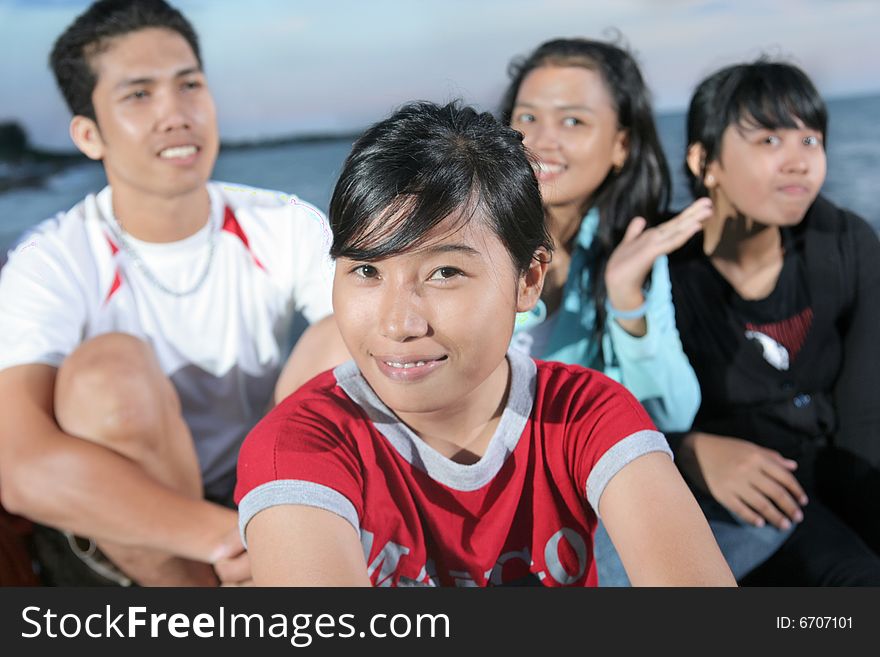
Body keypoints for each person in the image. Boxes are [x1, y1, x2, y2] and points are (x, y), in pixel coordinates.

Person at [234, 100, 736, 587]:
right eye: (366, 270)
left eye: (445, 272)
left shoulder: (586, 416)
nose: (398, 324)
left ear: (528, 280)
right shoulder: (299, 446)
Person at [0, 0, 338, 586]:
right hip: (135, 531)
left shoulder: (284, 221)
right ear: (88, 134)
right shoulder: (48, 260)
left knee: (352, 329)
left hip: (269, 483)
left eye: (189, 86)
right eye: (138, 95)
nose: (176, 114)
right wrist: (226, 537)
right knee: (106, 372)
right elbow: (20, 467)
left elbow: (375, 351)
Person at [499, 37, 710, 585]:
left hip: (567, 495)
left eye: (573, 122)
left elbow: (669, 414)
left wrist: (625, 297)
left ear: (620, 145)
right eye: (526, 116)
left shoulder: (629, 248)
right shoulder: (465, 232)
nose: (541, 140)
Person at [668, 59, 880, 584]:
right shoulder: (659, 268)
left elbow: (865, 413)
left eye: (810, 141)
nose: (798, 162)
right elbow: (608, 406)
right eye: (769, 141)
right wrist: (687, 451)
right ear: (704, 161)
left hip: (835, 466)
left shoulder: (843, 242)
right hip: (722, 500)